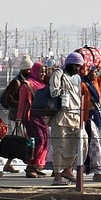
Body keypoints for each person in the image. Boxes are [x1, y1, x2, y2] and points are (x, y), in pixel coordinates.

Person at [46, 53, 88, 182]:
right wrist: (64, 93)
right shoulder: (59, 74)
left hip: (76, 116)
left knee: (81, 142)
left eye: (79, 66)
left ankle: (68, 170)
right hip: (61, 116)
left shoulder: (77, 78)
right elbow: (54, 91)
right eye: (76, 65)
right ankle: (57, 176)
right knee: (60, 146)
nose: (78, 68)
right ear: (69, 64)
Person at [19, 61, 50, 178]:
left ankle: (37, 166)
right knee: (38, 140)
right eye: (41, 72)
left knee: (45, 140)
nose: (43, 74)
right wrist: (19, 118)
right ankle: (30, 166)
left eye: (44, 72)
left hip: (42, 117)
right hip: (31, 117)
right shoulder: (27, 84)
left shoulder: (43, 84)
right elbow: (22, 103)